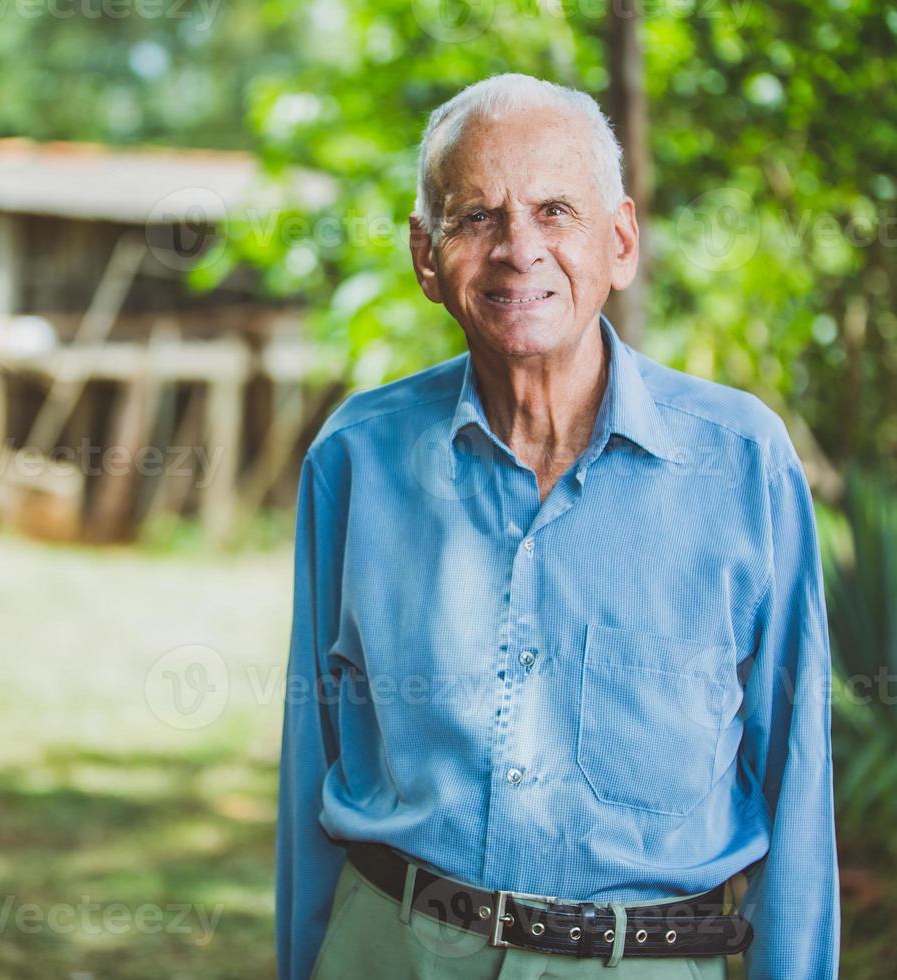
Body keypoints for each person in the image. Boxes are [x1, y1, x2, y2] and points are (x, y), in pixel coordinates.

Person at [275, 72, 839, 980]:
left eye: (553, 211)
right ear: (426, 256)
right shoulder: (356, 460)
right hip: (393, 950)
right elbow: (314, 762)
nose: (517, 249)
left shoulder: (743, 463)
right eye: (475, 218)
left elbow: (797, 774)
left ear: (619, 242)